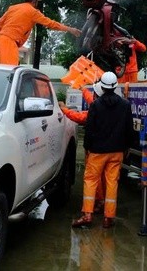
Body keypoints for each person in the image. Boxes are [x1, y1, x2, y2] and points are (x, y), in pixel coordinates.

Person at [72, 72, 134, 229]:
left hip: (97, 151)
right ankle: (109, 217)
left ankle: (87, 214)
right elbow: (129, 129)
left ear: (102, 87)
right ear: (114, 86)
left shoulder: (95, 105)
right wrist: (127, 148)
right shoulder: (125, 105)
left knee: (91, 180)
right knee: (112, 182)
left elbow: (90, 129)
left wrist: (86, 147)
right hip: (117, 151)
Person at [0, 0, 81, 65]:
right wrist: (69, 29)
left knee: (2, 71)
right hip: (9, 42)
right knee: (10, 72)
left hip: (0, 40)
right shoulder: (33, 12)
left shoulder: (13, 8)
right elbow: (51, 24)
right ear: (34, 1)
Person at [59, 84, 105, 213]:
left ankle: (95, 206)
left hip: (95, 149)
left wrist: (64, 109)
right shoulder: (113, 104)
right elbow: (91, 100)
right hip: (110, 149)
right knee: (108, 179)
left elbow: (80, 117)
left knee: (93, 178)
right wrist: (83, 89)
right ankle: (107, 209)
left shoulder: (96, 109)